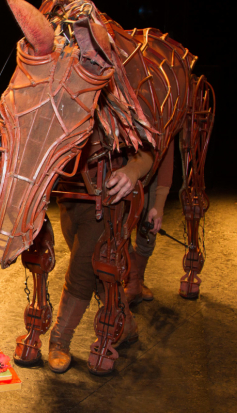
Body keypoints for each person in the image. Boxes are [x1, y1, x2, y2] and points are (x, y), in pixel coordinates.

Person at [47, 130, 154, 374]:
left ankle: (60, 338)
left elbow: (150, 147)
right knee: (97, 269)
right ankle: (125, 324)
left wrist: (133, 169)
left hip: (104, 196)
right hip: (68, 194)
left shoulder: (118, 97)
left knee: (81, 269)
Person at [124, 139, 175, 305]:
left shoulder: (162, 115)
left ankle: (138, 280)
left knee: (148, 232)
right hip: (122, 167)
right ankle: (132, 282)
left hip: (152, 171)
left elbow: (167, 158)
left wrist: (159, 205)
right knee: (119, 230)